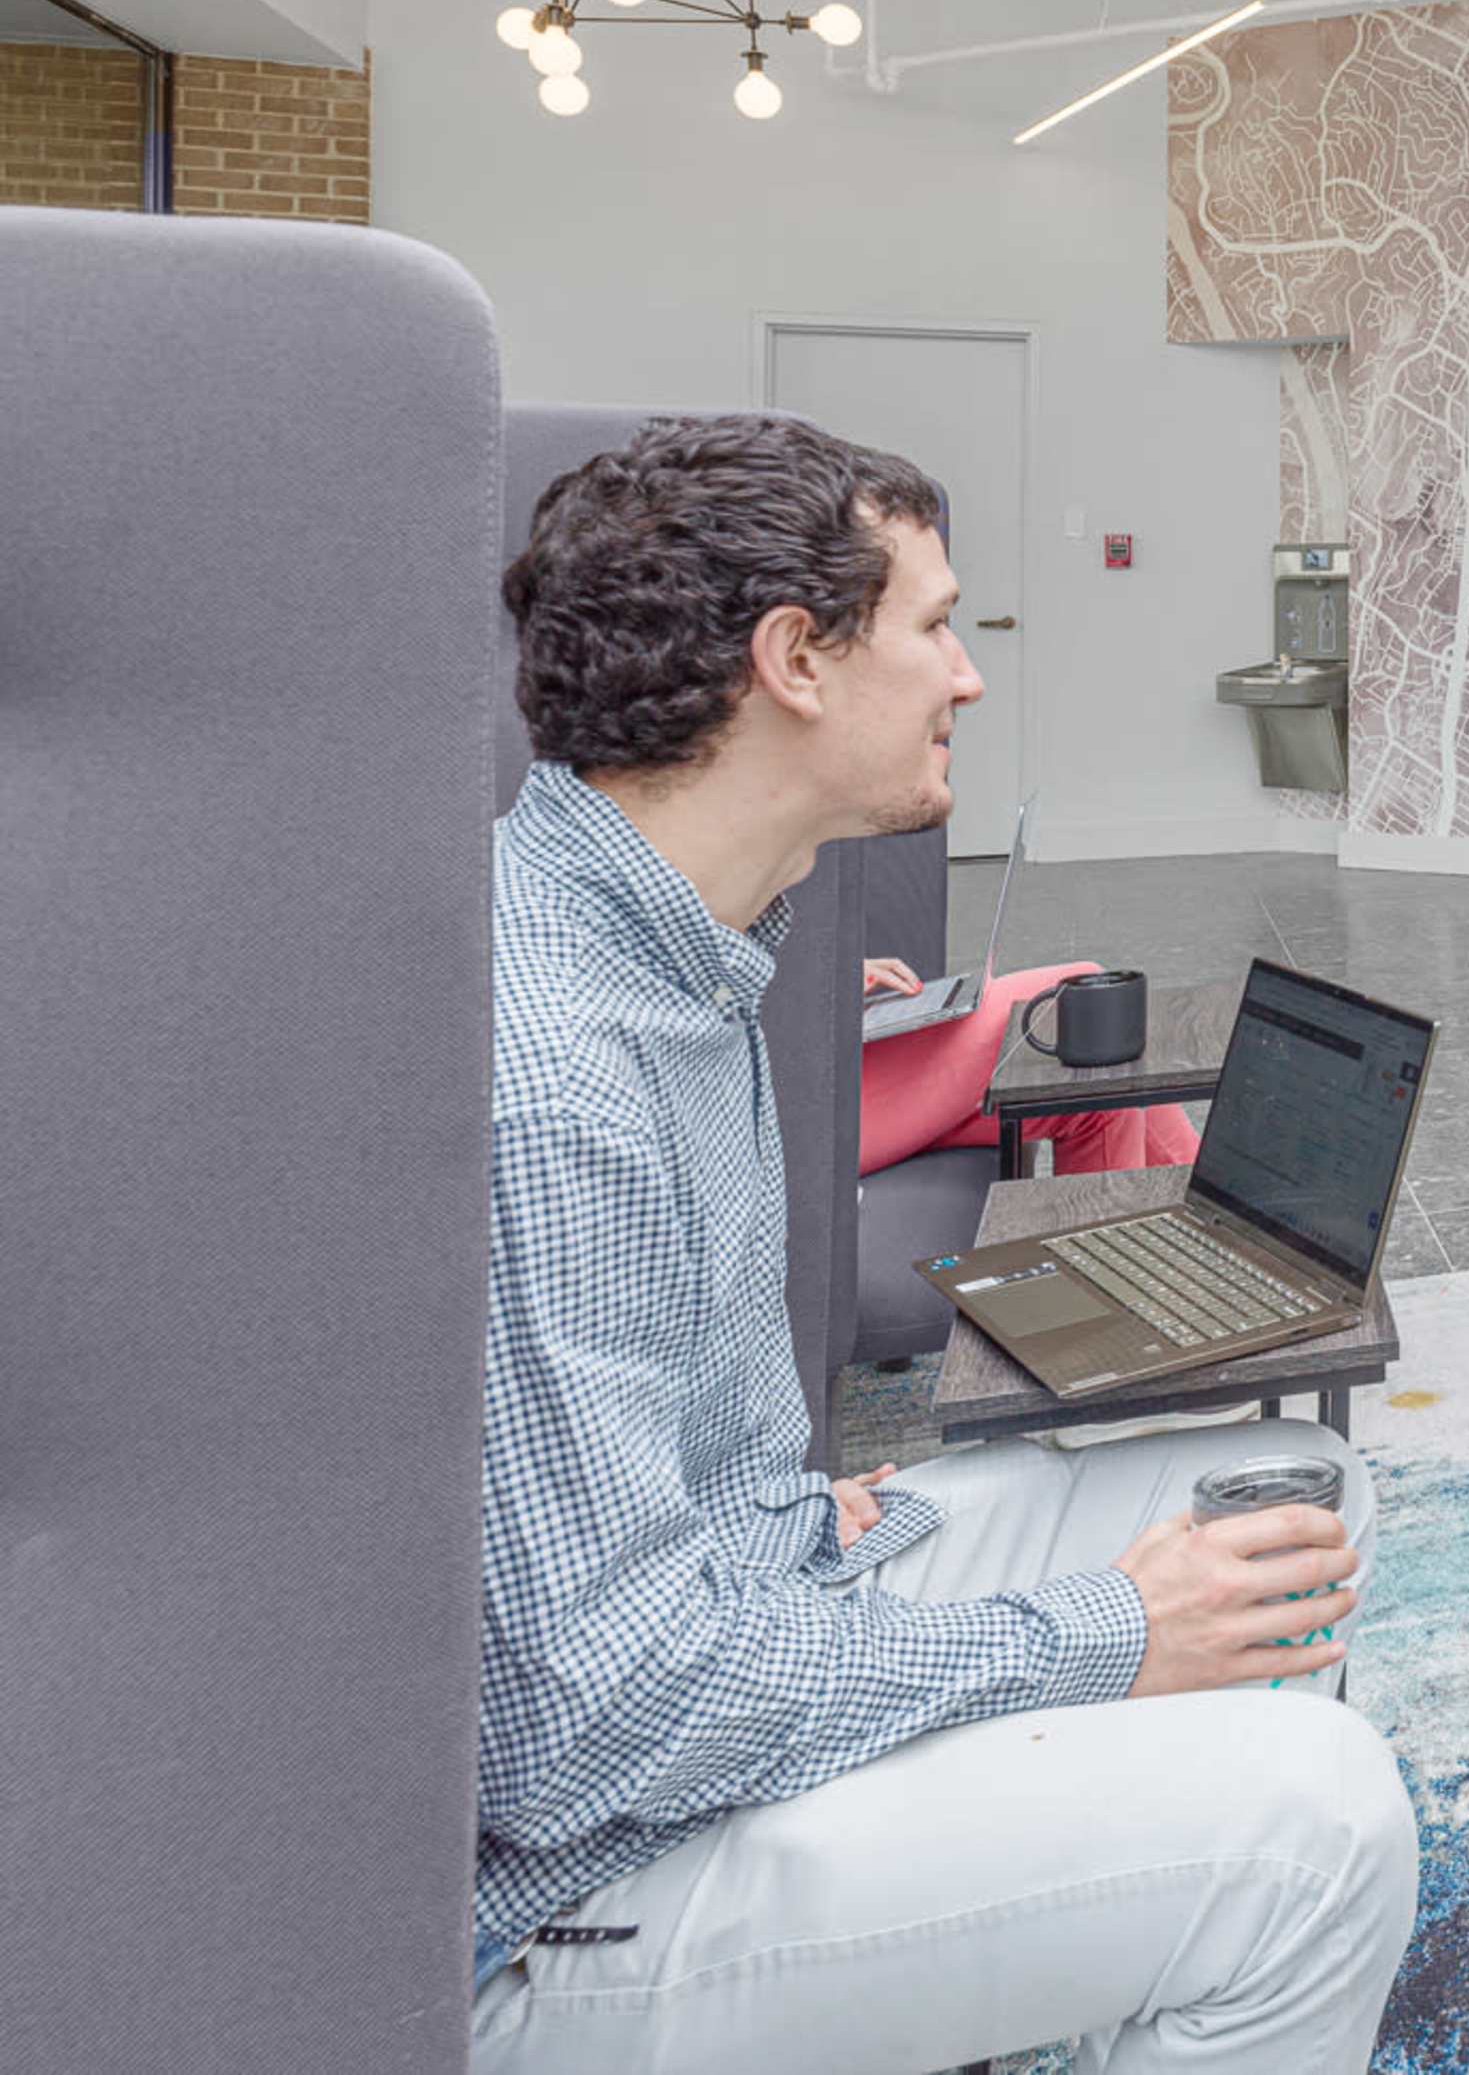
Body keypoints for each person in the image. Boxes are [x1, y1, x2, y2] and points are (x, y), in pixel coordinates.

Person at [472, 415, 1417, 2073]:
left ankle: (1092, 1936)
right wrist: (1102, 1631)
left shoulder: (683, 953)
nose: (967, 676)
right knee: (1322, 1826)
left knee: (1289, 1498)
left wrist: (753, 1500)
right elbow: (591, 1726)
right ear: (795, 662)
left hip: (729, 1608)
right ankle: (1199, 1886)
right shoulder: (556, 1072)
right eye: (933, 624)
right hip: (583, 1889)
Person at [855, 954, 1203, 1174]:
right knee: (1080, 991)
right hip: (814, 1111)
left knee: (1093, 1099)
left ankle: (1099, 1281)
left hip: (834, 1052)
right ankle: (1213, 1220)